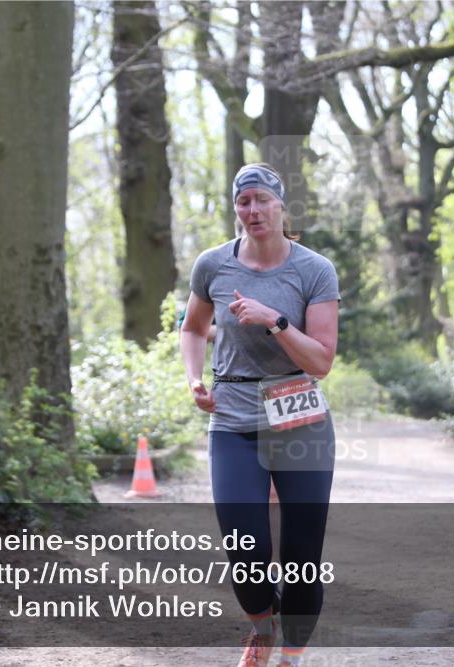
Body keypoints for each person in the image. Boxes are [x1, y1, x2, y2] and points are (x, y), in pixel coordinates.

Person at [179, 163, 340, 667]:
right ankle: (262, 623)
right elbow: (191, 328)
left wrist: (275, 321)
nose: (252, 211)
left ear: (280, 204)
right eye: (243, 202)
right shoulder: (214, 265)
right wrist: (194, 380)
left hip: (301, 418)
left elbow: (321, 360)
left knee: (301, 553)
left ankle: (291, 655)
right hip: (233, 418)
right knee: (243, 546)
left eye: (261, 200)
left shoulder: (314, 270)